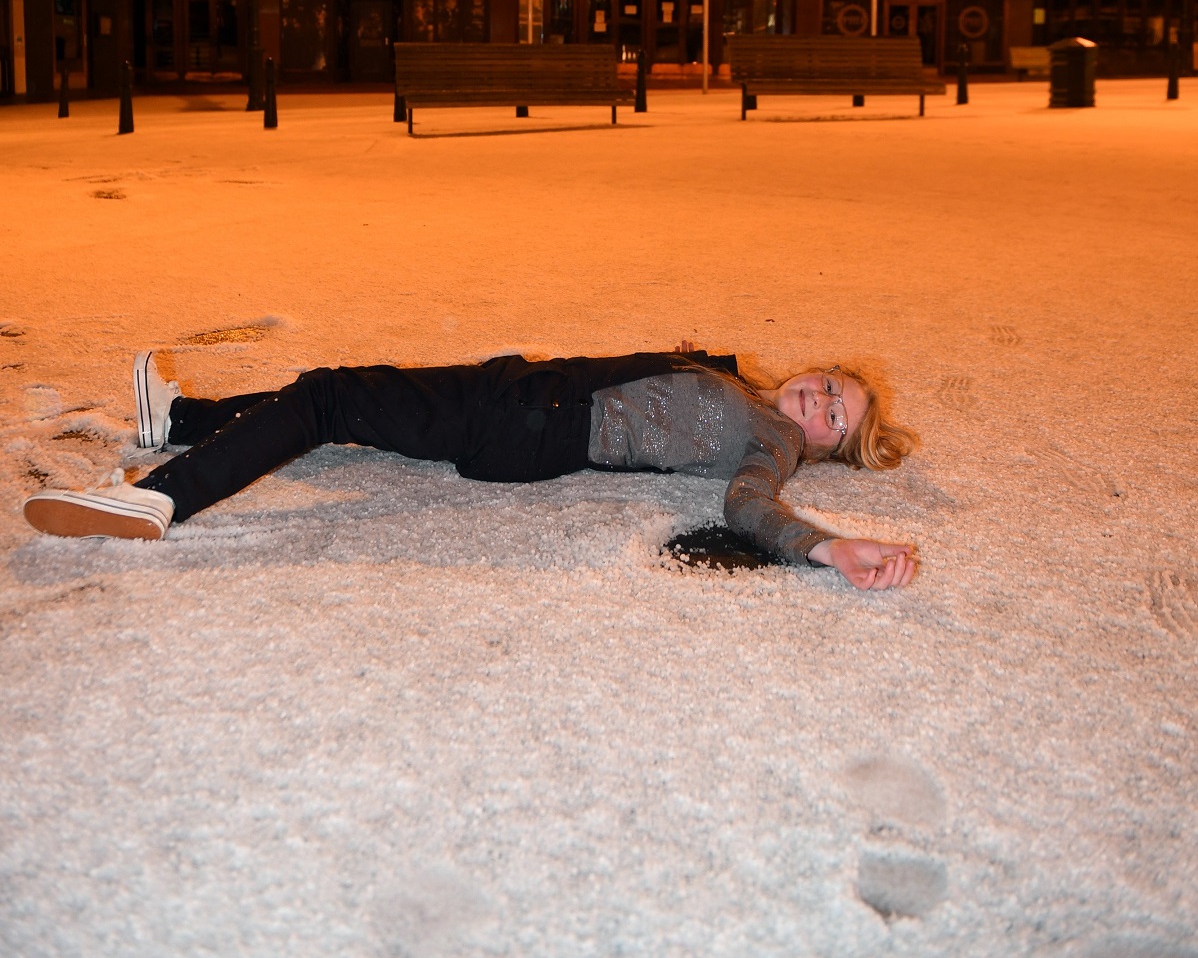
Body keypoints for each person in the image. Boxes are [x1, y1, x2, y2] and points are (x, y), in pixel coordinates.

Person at [22, 345, 919, 590]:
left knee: (333, 396)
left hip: (529, 423)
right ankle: (179, 419)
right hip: (524, 396)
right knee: (347, 409)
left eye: (838, 418)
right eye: (831, 385)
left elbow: (750, 510)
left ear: (831, 446)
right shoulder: (752, 391)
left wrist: (826, 548)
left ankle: (160, 499)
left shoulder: (769, 447)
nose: (822, 402)